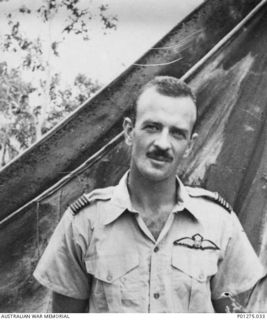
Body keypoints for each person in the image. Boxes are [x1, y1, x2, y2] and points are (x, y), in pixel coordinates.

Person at [33, 76, 265, 313]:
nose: (163, 143)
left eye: (177, 133)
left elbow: (231, 309)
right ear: (129, 132)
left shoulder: (219, 223)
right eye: (152, 127)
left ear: (190, 146)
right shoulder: (84, 223)